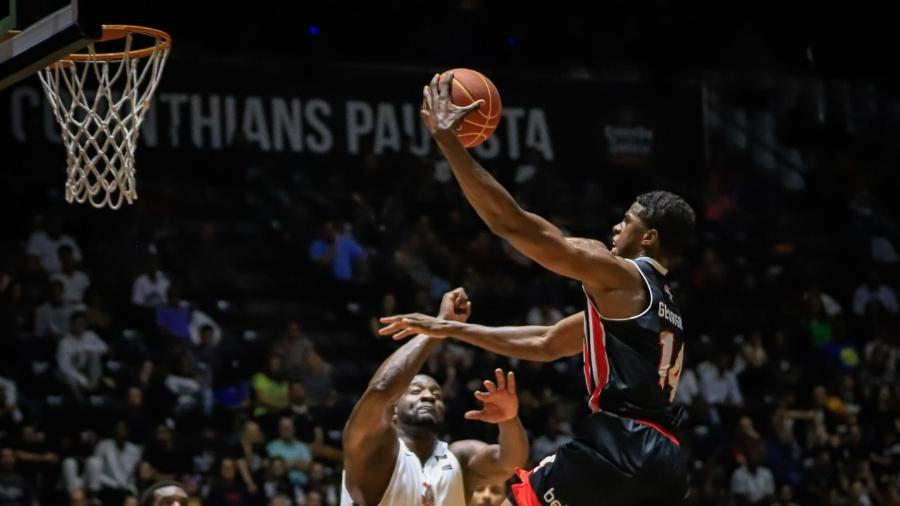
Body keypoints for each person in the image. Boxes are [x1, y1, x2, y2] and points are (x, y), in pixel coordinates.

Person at [380, 73, 697, 505]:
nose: (617, 226)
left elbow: (511, 224)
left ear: (650, 238)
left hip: (620, 442)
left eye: (629, 220)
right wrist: (449, 330)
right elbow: (546, 342)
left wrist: (448, 142)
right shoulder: (662, 306)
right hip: (667, 460)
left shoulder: (621, 275)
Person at [342, 288, 528, 506]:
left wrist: (508, 420)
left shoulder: (459, 457)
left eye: (436, 394)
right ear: (392, 409)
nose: (429, 396)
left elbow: (511, 461)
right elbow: (381, 390)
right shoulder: (374, 447)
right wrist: (439, 327)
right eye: (416, 391)